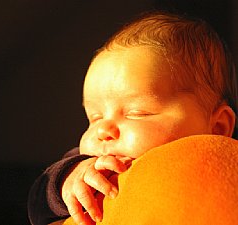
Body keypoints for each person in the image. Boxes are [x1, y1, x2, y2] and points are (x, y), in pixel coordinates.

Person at [27, 11, 238, 225]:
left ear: (218, 127)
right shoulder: (87, 166)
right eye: (94, 118)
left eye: (137, 113)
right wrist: (67, 178)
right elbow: (38, 200)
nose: (103, 131)